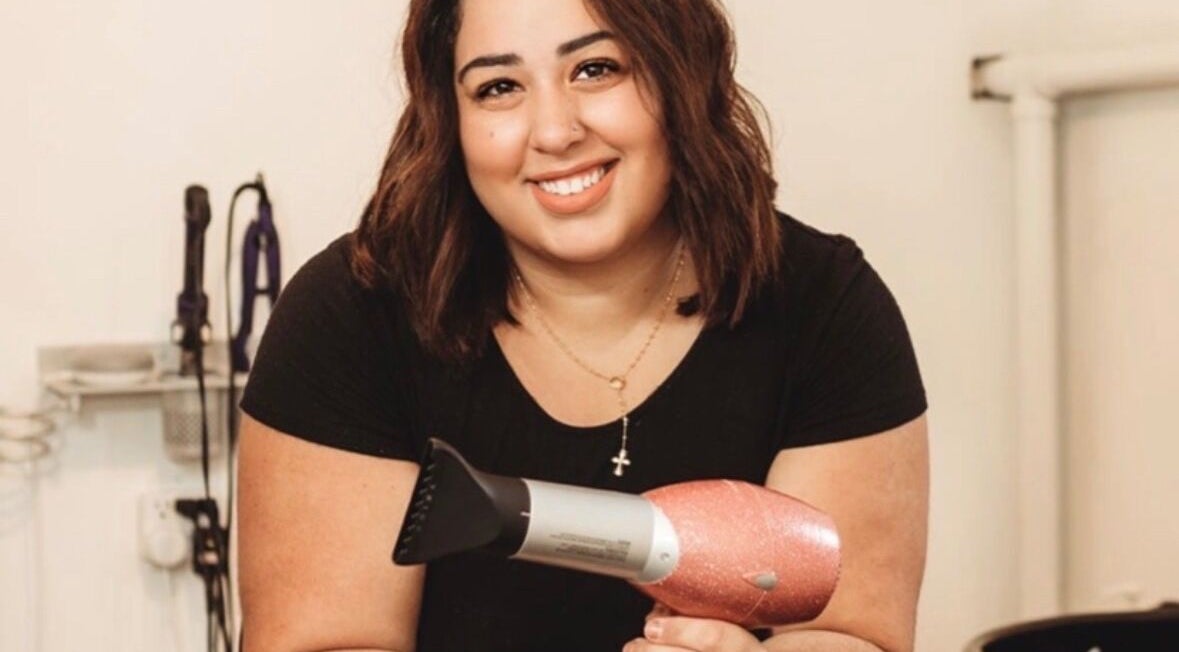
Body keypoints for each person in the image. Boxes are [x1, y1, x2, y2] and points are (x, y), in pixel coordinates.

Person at [236, 0, 929, 650]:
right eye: (497, 87)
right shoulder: (350, 317)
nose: (555, 131)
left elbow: (851, 631)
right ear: (449, 118)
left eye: (596, 69)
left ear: (677, 72)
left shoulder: (822, 308)